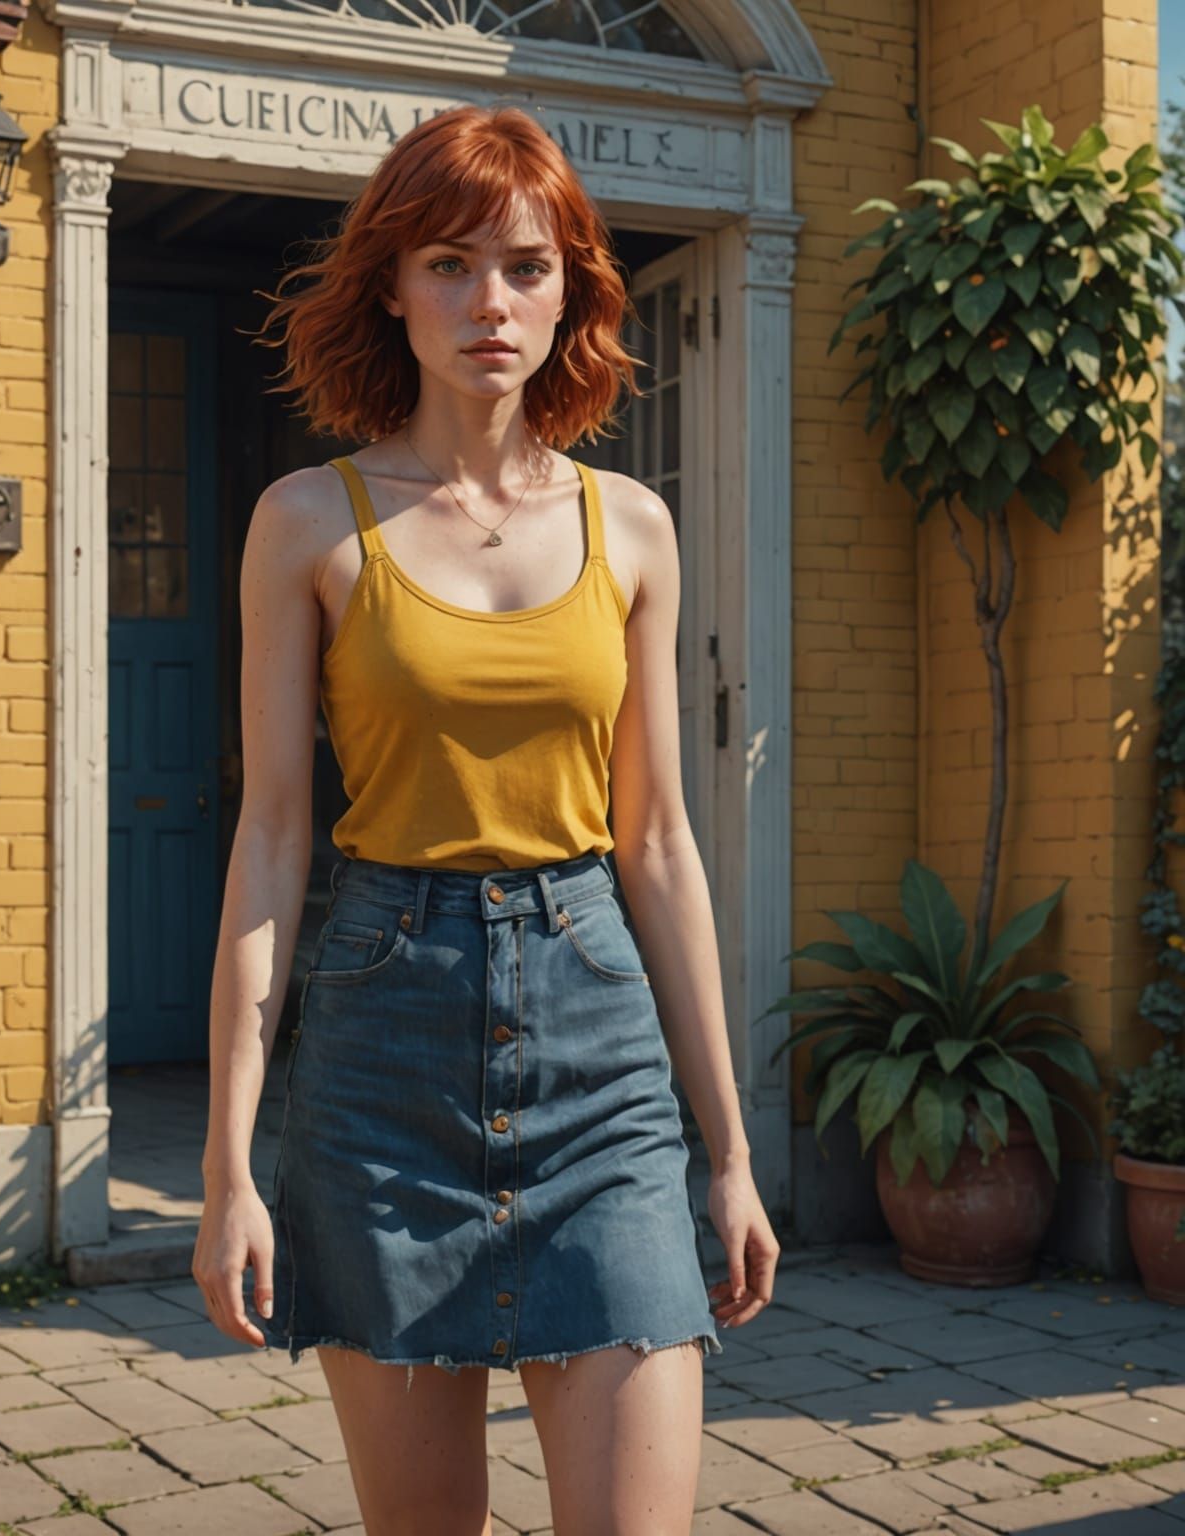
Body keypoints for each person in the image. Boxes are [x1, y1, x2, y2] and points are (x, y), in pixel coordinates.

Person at [193, 101, 780, 1536]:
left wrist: (728, 1151)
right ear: (389, 285)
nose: (488, 303)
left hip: (601, 1047)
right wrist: (225, 1171)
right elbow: (272, 838)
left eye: (525, 265)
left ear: (572, 284)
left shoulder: (632, 526)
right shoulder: (309, 525)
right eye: (448, 264)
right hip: (381, 1040)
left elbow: (655, 845)